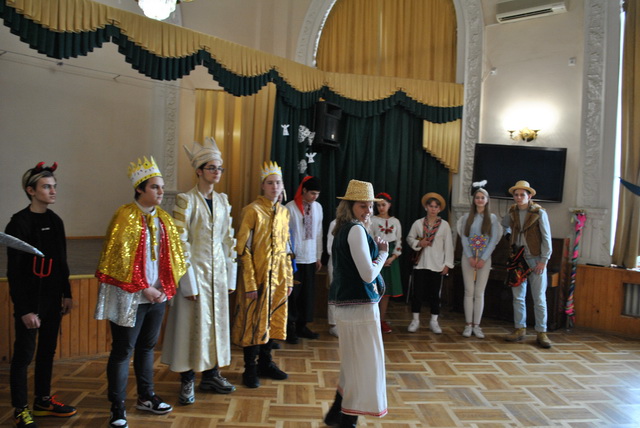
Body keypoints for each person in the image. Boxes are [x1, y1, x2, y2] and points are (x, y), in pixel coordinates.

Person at [94, 156, 187, 428]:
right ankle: (117, 406)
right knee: (123, 350)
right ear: (139, 189)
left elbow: (175, 257)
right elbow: (116, 260)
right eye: (155, 187)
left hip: (157, 295)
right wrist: (143, 288)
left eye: (162, 187)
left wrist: (163, 288)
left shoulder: (164, 219)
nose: (161, 192)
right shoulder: (124, 216)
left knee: (147, 347)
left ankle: (146, 396)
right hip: (130, 297)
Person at [161, 138, 237, 405]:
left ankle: (211, 375)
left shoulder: (223, 201)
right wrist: (188, 283)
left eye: (219, 168)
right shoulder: (186, 201)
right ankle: (187, 381)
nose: (217, 172)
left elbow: (228, 240)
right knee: (191, 329)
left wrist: (230, 276)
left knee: (215, 327)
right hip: (195, 276)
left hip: (217, 277)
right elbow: (179, 244)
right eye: (211, 168)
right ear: (199, 171)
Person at [6, 162, 77, 428]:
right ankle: (20, 409)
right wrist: (25, 309)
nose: (53, 191)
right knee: (24, 356)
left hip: (52, 299)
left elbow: (61, 262)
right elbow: (14, 272)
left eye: (54, 186)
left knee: (47, 351)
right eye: (47, 187)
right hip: (30, 301)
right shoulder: (19, 223)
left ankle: (43, 401)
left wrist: (66, 293)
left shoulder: (55, 221)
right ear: (31, 190)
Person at [324, 179, 389, 428]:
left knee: (352, 364)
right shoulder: (355, 230)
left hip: (348, 306)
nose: (368, 211)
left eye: (370, 205)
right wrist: (383, 253)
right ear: (350, 205)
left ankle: (336, 413)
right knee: (364, 365)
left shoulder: (343, 229)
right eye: (363, 205)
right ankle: (347, 421)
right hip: (359, 307)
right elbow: (368, 275)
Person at [232, 161, 293, 389]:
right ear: (262, 186)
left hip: (278, 278)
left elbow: (287, 248)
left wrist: (288, 279)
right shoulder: (252, 211)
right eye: (270, 183)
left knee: (272, 320)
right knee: (253, 322)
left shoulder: (284, 212)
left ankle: (266, 363)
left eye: (278, 183)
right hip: (256, 279)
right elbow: (243, 250)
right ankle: (249, 367)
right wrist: (249, 283)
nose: (274, 187)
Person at [501, 180, 553, 348]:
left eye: (522, 194)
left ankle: (541, 332)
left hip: (535, 259)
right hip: (517, 259)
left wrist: (543, 261)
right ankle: (520, 328)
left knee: (539, 297)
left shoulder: (539, 213)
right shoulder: (512, 211)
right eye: (516, 195)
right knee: (518, 297)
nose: (518, 197)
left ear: (529, 196)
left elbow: (546, 238)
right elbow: (504, 226)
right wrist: (508, 236)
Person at [456, 183, 502, 339]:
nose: (480, 200)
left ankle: (477, 325)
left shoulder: (492, 218)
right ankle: (468, 324)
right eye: (477, 197)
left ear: (487, 200)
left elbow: (493, 240)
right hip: (468, 258)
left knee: (479, 292)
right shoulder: (466, 217)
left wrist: (483, 258)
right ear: (474, 200)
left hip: (484, 259)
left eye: (483, 198)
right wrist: (470, 256)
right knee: (469, 291)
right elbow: (464, 238)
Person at [406, 192, 454, 334]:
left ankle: (434, 321)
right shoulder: (418, 223)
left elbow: (449, 246)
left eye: (436, 207)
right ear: (426, 207)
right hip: (421, 263)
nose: (433, 209)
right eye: (431, 206)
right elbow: (409, 238)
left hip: (437, 264)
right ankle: (415, 320)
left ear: (439, 209)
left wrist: (447, 264)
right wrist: (419, 243)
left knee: (435, 294)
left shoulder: (444, 225)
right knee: (418, 293)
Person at [285, 176, 323, 343]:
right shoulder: (290, 208)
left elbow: (319, 233)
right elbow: (285, 235)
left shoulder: (318, 208)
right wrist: (288, 257)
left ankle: (302, 326)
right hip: (295, 259)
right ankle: (289, 328)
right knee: (293, 295)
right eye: (312, 193)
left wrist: (318, 255)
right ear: (304, 190)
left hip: (310, 257)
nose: (315, 197)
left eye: (317, 194)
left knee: (307, 295)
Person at [370, 192, 403, 333]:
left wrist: (393, 257)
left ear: (389, 205)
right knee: (375, 290)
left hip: (391, 259)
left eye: (383, 204)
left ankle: (381, 321)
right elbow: (370, 240)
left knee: (386, 292)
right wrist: (379, 259)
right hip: (377, 256)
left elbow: (399, 241)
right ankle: (372, 321)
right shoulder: (372, 220)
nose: (381, 208)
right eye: (378, 205)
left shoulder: (395, 222)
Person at [326, 219, 338, 337]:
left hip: (353, 264)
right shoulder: (335, 223)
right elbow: (330, 247)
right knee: (335, 291)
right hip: (336, 262)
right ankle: (334, 324)